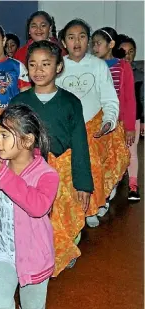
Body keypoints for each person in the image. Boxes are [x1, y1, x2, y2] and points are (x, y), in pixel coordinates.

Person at [9, 40, 93, 276]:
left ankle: (63, 251)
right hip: (27, 170)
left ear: (58, 67)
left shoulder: (71, 102)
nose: (39, 70)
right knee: (30, 217)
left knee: (63, 213)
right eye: (33, 64)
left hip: (61, 170)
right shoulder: (18, 102)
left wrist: (83, 183)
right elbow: (10, 141)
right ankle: (32, 259)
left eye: (46, 64)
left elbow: (79, 143)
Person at [0, 104, 59, 309]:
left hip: (33, 254)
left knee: (31, 305)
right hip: (3, 249)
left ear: (27, 140)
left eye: (5, 136)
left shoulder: (47, 175)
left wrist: (5, 177)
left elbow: (38, 207)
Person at [56, 19, 130, 228]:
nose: (76, 42)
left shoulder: (98, 65)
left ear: (88, 41)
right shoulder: (58, 66)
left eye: (81, 37)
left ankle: (92, 207)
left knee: (93, 167)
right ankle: (75, 211)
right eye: (71, 37)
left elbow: (109, 99)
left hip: (94, 127)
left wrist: (108, 121)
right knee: (69, 170)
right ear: (63, 41)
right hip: (68, 128)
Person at [92, 27, 137, 208]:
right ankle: (100, 198)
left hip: (117, 122)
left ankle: (109, 192)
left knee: (117, 159)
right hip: (96, 122)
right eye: (93, 44)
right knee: (98, 160)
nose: (95, 47)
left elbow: (128, 98)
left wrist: (129, 126)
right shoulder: (92, 65)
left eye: (98, 43)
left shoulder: (122, 66)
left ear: (110, 45)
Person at [118, 34, 143, 201]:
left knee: (132, 152)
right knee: (115, 152)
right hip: (114, 119)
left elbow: (142, 99)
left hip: (133, 118)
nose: (127, 55)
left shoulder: (139, 74)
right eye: (123, 51)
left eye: (131, 52)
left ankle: (133, 185)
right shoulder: (110, 70)